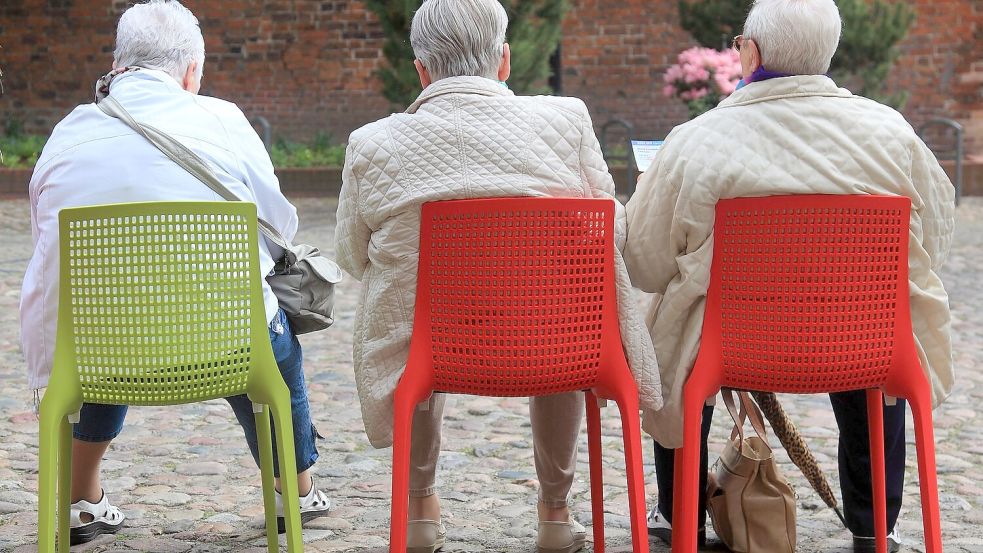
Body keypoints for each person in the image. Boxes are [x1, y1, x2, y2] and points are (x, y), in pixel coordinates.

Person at [623, 1, 954, 552]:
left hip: (728, 344)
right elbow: (936, 239)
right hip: (862, 340)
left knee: (669, 316)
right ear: (828, 54)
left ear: (749, 53)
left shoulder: (696, 140)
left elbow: (645, 262)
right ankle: (877, 524)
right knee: (875, 312)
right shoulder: (890, 132)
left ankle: (677, 514)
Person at [335, 0, 662, 551]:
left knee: (411, 308)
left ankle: (419, 513)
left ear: (421, 70)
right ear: (504, 60)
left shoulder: (372, 144)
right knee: (565, 307)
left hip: (433, 349)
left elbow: (350, 256)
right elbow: (610, 226)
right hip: (556, 342)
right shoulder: (568, 119)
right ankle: (556, 515)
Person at [20, 0, 331, 544]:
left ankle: (80, 500)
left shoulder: (69, 132)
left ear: (117, 66)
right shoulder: (225, 120)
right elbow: (279, 220)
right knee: (266, 334)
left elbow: (44, 231)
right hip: (228, 344)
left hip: (97, 351)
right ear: (192, 71)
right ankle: (295, 493)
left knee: (106, 311)